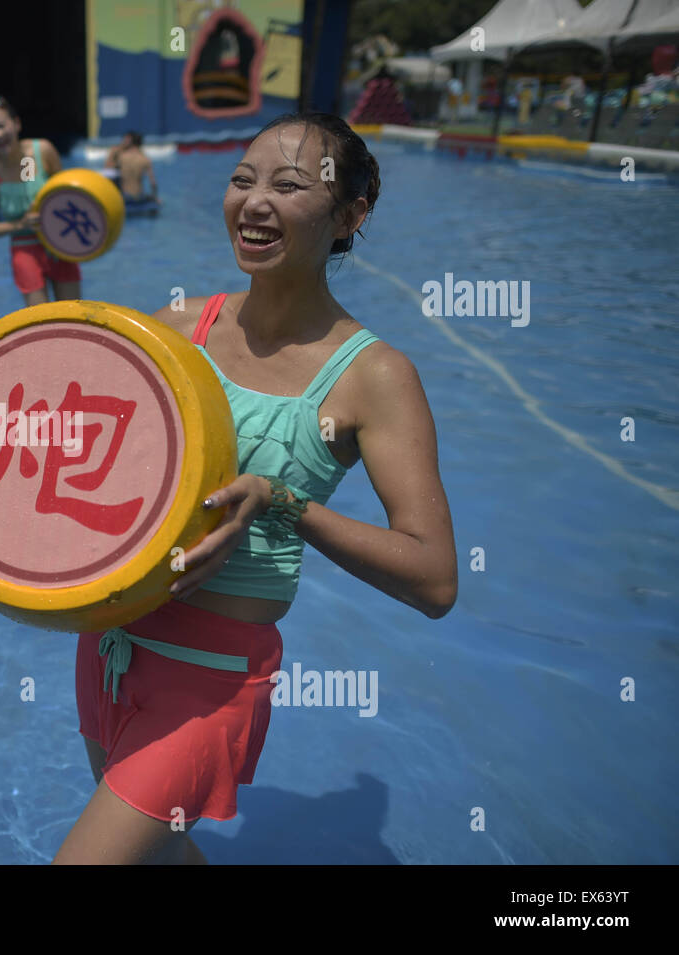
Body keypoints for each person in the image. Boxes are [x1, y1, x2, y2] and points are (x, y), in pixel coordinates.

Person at [54, 113, 457, 865]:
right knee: (164, 858)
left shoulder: (375, 376)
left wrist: (282, 501)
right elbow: (83, 463)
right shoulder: (173, 330)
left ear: (349, 216)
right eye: (242, 180)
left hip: (209, 680)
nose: (255, 201)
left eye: (289, 184)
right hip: (108, 645)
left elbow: (433, 577)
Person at [0, 95, 79, 307]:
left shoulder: (40, 152)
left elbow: (68, 196)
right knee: (42, 323)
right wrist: (18, 224)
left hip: (60, 243)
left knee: (74, 316)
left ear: (17, 124)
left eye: (1, 126)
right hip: (25, 249)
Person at [106, 131, 160, 206]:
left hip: (125, 197)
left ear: (131, 143)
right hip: (139, 197)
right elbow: (153, 183)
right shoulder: (145, 159)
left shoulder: (122, 158)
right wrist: (155, 197)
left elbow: (109, 172)